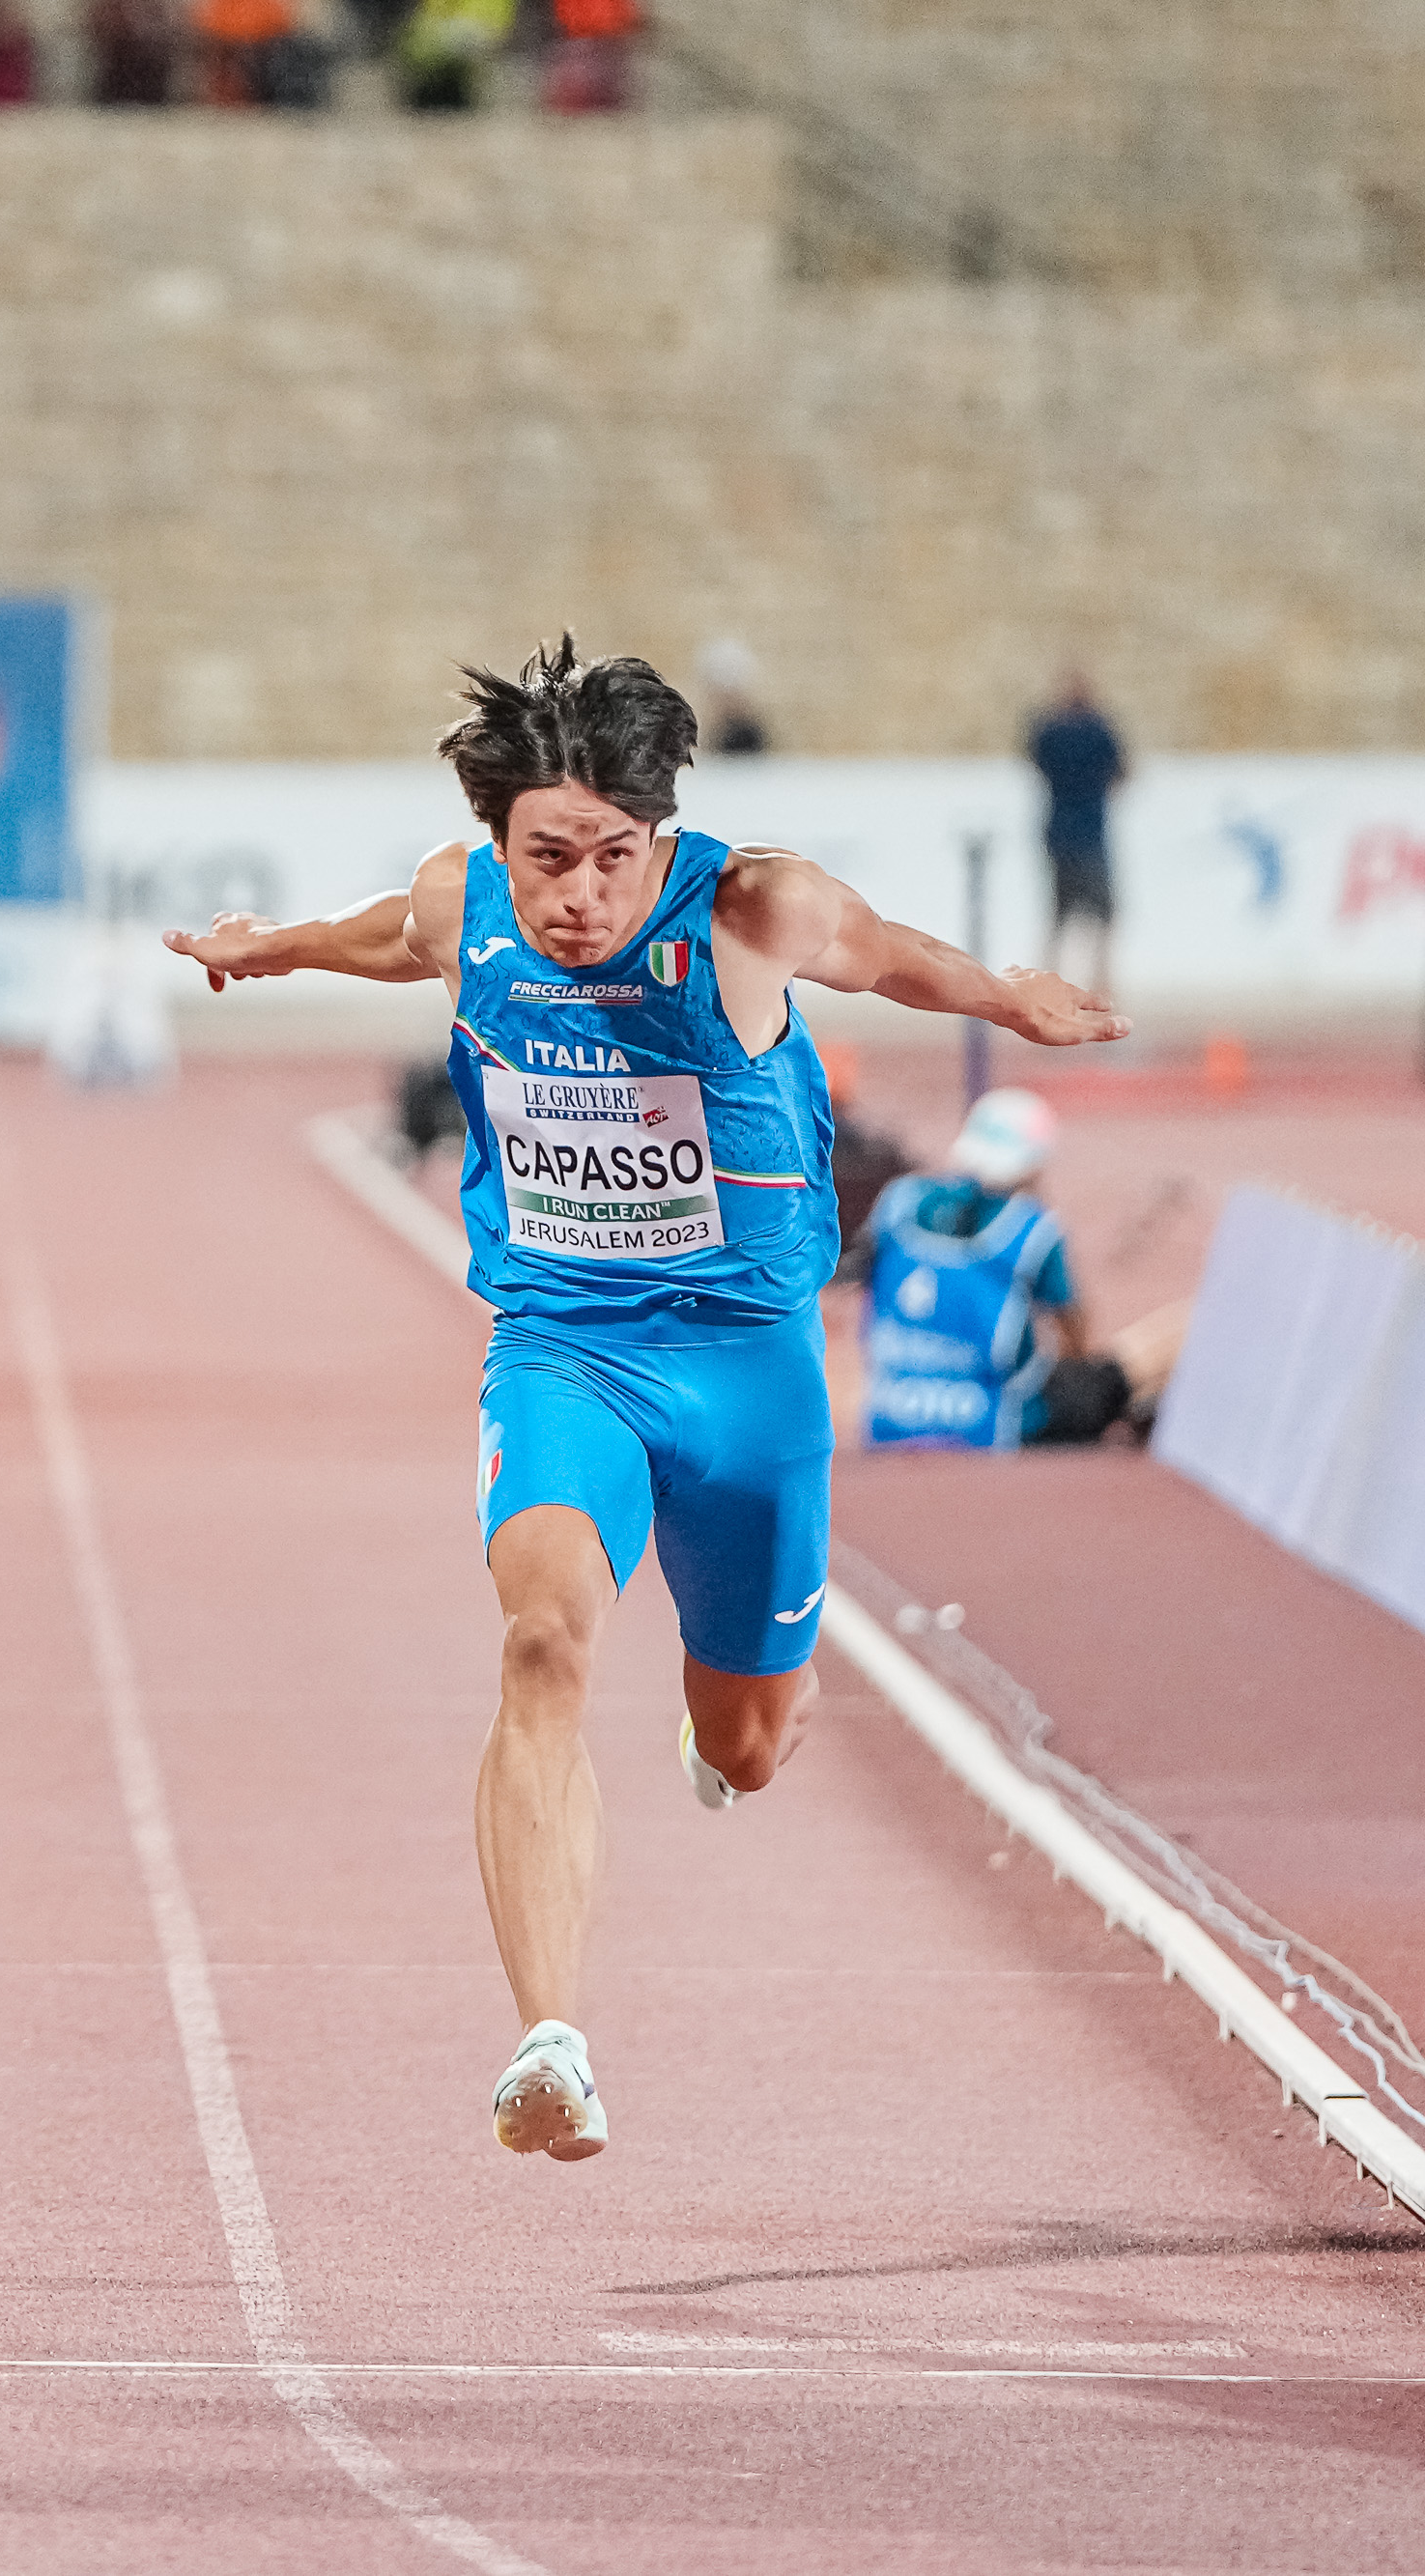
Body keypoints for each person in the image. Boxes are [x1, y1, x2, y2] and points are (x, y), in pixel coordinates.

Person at [165, 637, 1123, 2162]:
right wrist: (267, 946)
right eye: (548, 857)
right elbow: (384, 935)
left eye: (613, 856)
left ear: (658, 833)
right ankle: (548, 2039)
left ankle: (725, 1727)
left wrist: (1015, 1000)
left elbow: (887, 956)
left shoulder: (751, 907)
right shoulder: (463, 901)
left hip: (750, 1373)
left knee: (747, 1744)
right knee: (542, 1637)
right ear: (500, 841)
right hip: (567, 1349)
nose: (580, 895)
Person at [859, 1087, 1172, 1449]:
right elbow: (1073, 1331)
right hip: (1002, 1422)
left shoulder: (897, 1202)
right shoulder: (1030, 1228)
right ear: (1034, 1165)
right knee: (1159, 1345)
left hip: (890, 1417)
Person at [1028, 669, 1126, 1011]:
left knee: (1057, 917)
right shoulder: (1099, 729)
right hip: (1090, 835)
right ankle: (1103, 992)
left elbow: (1036, 763)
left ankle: (1044, 991)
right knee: (1104, 918)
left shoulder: (1048, 730)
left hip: (1058, 833)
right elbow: (1121, 772)